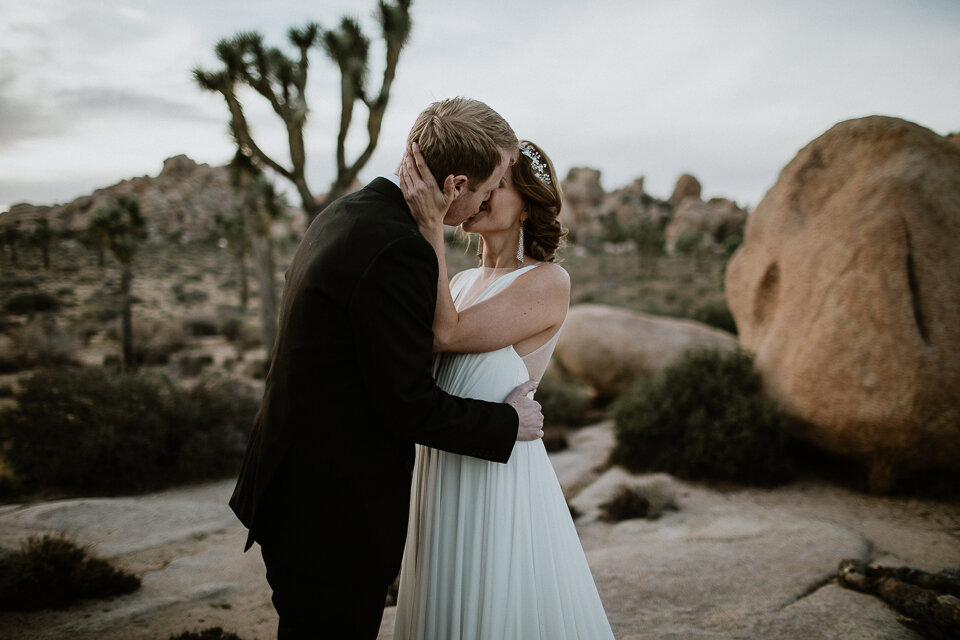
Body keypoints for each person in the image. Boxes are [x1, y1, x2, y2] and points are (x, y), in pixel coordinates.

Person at [228, 97, 546, 640]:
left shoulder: (348, 211)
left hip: (293, 487)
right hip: (330, 511)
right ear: (454, 185)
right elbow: (405, 404)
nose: (489, 199)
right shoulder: (399, 249)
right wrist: (509, 424)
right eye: (489, 186)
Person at [393, 140, 615, 639]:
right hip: (441, 464)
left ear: (529, 203)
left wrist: (430, 225)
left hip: (496, 480)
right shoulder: (462, 282)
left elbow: (444, 334)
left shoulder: (548, 281)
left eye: (497, 184)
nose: (481, 190)